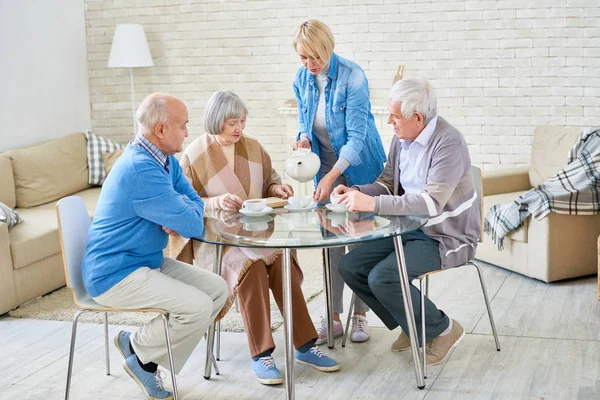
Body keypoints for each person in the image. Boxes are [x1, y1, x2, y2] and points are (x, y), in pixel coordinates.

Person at [170, 91, 340, 386]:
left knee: (281, 262)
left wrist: (277, 190)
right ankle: (261, 354)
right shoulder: (195, 154)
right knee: (252, 268)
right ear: (216, 121)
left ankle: (305, 345)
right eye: (232, 123)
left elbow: (271, 179)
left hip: (256, 235)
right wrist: (215, 202)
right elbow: (183, 201)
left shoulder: (253, 147)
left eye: (242, 122)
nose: (238, 129)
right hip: (216, 240)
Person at [81, 93, 229, 400]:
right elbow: (192, 223)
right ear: (161, 129)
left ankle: (139, 352)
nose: (188, 132)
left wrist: (184, 209)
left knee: (217, 290)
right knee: (197, 307)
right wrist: (184, 211)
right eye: (183, 125)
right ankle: (141, 354)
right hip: (114, 271)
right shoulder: (140, 169)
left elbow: (193, 204)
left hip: (144, 261)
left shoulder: (165, 161)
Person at [336, 79, 481, 365]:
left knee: (383, 277)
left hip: (445, 235)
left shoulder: (448, 141)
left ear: (418, 118)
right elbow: (389, 182)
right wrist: (358, 192)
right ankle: (413, 324)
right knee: (350, 266)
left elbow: (430, 203)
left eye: (395, 115)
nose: (389, 121)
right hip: (409, 228)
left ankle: (443, 329)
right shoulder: (402, 138)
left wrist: (373, 204)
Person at [292, 19, 387, 344]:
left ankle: (360, 315)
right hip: (328, 165)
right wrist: (304, 139)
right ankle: (332, 316)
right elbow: (305, 120)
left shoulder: (353, 76)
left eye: (314, 57)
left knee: (360, 243)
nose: (309, 65)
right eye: (303, 58)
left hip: (360, 166)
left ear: (328, 49)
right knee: (330, 242)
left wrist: (333, 176)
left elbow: (357, 136)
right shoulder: (301, 78)